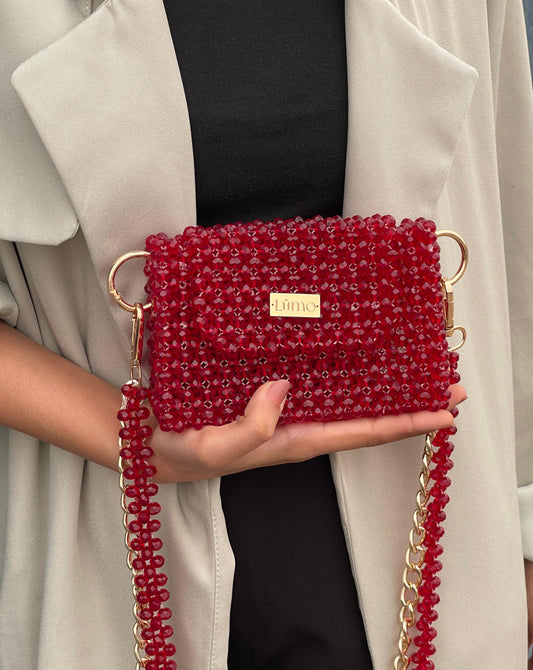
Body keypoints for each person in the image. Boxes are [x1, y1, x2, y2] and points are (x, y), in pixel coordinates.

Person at [0, 1, 532, 669]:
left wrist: (525, 533)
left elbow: (512, 220)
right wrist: (132, 439)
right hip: (101, 530)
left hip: (429, 528)